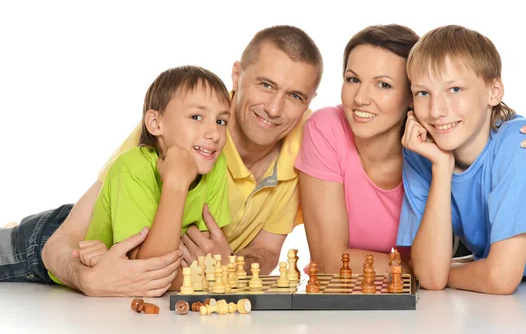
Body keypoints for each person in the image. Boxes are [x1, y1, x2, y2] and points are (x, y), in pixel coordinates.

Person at [0, 25, 323, 296]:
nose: (275, 109)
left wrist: (231, 264)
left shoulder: (309, 143)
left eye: (295, 96)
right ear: (237, 75)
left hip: (154, 274)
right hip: (66, 243)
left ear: (310, 100)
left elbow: (265, 251)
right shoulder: (177, 129)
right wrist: (89, 279)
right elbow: (64, 239)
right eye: (265, 85)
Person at [297, 24, 526, 275]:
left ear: (407, 98)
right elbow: (427, 272)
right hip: (505, 262)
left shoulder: (489, 139)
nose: (361, 98)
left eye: (384, 85)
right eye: (352, 79)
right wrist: (431, 269)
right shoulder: (422, 154)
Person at [396, 25, 526, 295]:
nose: (436, 111)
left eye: (455, 89)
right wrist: (442, 168)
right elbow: (431, 279)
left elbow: (499, 279)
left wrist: (450, 270)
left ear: (494, 92)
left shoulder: (519, 141)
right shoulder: (421, 154)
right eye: (423, 93)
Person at [63, 65, 231, 292]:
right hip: (47, 244)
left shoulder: (215, 164)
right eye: (196, 116)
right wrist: (176, 183)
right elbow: (151, 270)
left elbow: (199, 259)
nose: (214, 134)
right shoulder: (130, 167)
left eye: (221, 121)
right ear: (155, 123)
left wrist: (205, 270)